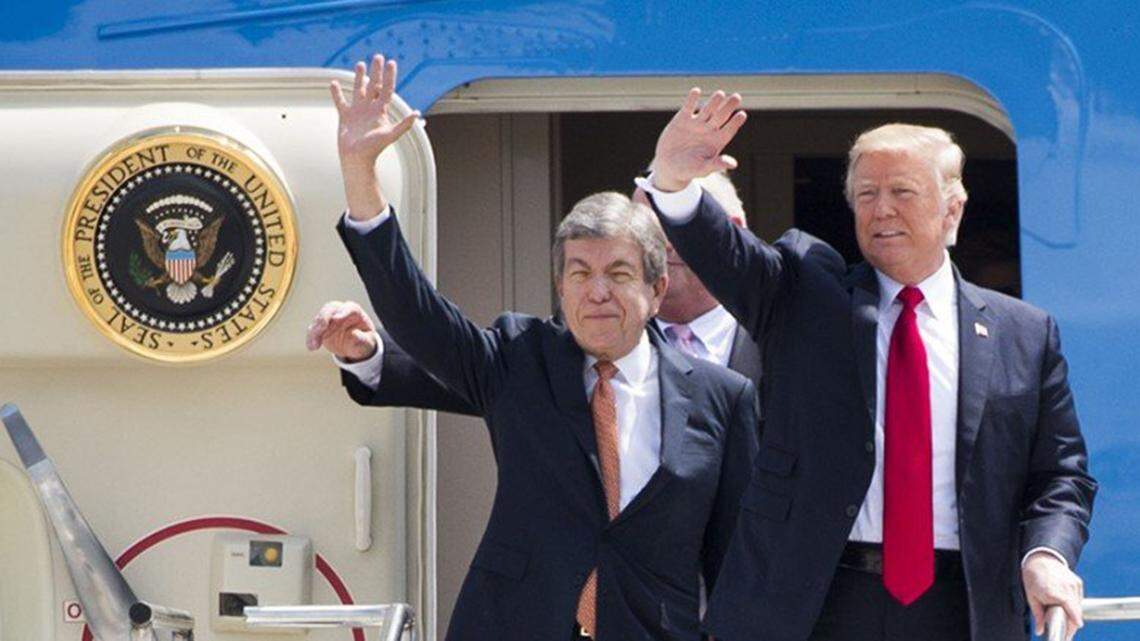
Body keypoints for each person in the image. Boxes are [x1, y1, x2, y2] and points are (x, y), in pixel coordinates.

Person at [315, 55, 759, 641]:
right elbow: (421, 320)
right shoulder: (520, 359)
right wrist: (360, 176)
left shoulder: (721, 398)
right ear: (560, 287)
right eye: (579, 273)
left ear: (655, 289)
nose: (597, 292)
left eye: (619, 274)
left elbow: (732, 560)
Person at [636, 88, 1097, 641]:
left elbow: (1060, 475)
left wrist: (1046, 554)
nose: (881, 209)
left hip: (961, 606)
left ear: (952, 208)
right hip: (817, 601)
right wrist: (672, 177)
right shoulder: (806, 294)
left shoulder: (1023, 333)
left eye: (902, 191)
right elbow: (730, 257)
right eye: (866, 194)